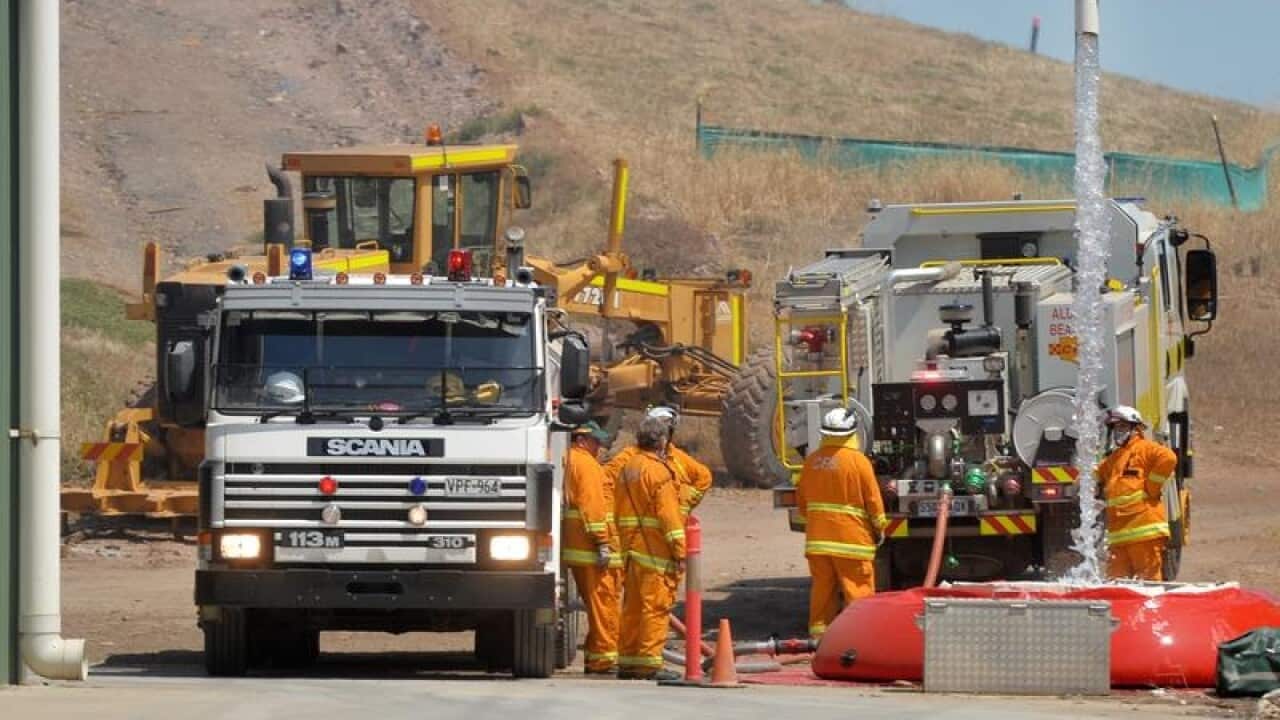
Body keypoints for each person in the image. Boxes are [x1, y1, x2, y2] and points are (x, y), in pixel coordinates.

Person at [796, 408, 885, 639]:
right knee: (858, 591)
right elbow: (873, 501)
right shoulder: (859, 462)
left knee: (822, 593)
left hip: (817, 543)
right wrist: (880, 527)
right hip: (852, 543)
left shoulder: (812, 461)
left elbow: (802, 503)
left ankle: (818, 640)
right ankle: (861, 638)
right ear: (853, 433)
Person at [615, 417, 686, 680]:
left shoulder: (628, 468)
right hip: (654, 553)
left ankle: (628, 661)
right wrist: (680, 551)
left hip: (630, 551)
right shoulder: (658, 472)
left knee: (632, 609)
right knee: (655, 607)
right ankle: (649, 663)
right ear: (662, 441)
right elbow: (669, 518)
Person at [562, 422, 623, 674]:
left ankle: (597, 657)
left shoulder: (568, 459)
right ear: (581, 439)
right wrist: (602, 543)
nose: (599, 447)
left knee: (599, 605)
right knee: (604, 605)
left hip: (579, 548)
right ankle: (604, 660)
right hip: (590, 549)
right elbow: (593, 506)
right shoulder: (586, 465)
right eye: (595, 442)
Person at [1097, 405, 1178, 581]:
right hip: (1119, 538)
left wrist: (1152, 486)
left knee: (1148, 586)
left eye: (1123, 427)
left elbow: (1169, 458)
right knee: (1115, 588)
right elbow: (1095, 473)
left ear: (1136, 429)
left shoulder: (1146, 448)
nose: (1118, 432)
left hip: (1145, 533)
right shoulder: (1115, 457)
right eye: (1116, 428)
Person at [605, 406, 712, 518]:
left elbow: (704, 477)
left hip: (667, 526)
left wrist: (684, 504)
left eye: (666, 432)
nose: (663, 438)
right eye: (660, 433)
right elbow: (604, 481)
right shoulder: (628, 457)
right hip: (637, 529)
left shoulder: (675, 456)